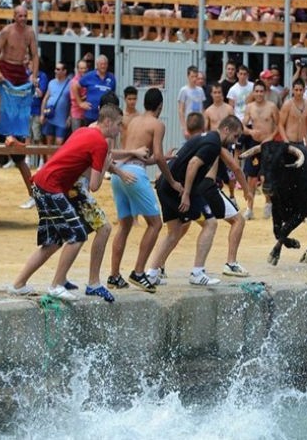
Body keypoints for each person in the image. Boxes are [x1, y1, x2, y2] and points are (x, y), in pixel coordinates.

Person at [8, 105, 122, 301]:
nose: (120, 129)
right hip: (51, 187)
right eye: (119, 124)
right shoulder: (101, 143)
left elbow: (78, 167)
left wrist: (102, 167)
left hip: (42, 184)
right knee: (77, 235)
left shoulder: (83, 131)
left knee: (53, 242)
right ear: (108, 122)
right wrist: (105, 166)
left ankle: (18, 284)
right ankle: (57, 284)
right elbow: (94, 186)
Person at [155, 115, 246, 285]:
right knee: (211, 223)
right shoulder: (213, 143)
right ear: (226, 129)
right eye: (235, 136)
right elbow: (193, 164)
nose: (235, 141)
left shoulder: (206, 138)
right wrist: (187, 194)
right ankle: (198, 272)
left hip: (166, 186)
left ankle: (152, 273)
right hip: (181, 189)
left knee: (174, 232)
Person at [109, 88, 183, 292]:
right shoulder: (157, 124)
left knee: (124, 226)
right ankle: (139, 272)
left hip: (119, 172)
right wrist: (172, 181)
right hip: (135, 175)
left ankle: (114, 275)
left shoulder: (133, 121)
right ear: (160, 106)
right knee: (155, 224)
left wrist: (161, 159)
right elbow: (157, 156)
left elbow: (135, 155)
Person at [0, 6, 40, 209]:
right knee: (4, 107)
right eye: (20, 16)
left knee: (17, 157)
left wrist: (33, 75)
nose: (23, 19)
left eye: (25, 16)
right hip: (6, 68)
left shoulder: (30, 32)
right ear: (14, 17)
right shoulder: (7, 31)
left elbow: (34, 56)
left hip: (20, 73)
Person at [243, 80, 279, 220]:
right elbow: (243, 126)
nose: (258, 94)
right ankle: (249, 208)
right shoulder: (249, 107)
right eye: (256, 91)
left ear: (265, 92)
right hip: (254, 144)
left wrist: (270, 137)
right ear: (253, 92)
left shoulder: (272, 107)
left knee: (267, 177)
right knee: (251, 178)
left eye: (261, 91)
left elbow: (278, 125)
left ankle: (268, 204)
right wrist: (250, 132)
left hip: (268, 144)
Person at [74, 55, 117, 127]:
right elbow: (75, 86)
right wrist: (80, 103)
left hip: (106, 117)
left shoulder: (111, 77)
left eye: (105, 64)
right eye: (101, 64)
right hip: (90, 116)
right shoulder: (90, 76)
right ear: (97, 65)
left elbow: (112, 94)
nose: (103, 66)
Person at [178, 65, 206, 139]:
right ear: (188, 76)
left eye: (196, 76)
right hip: (189, 123)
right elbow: (181, 110)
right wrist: (184, 128)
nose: (194, 79)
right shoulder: (184, 90)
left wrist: (204, 124)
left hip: (199, 122)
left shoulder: (200, 90)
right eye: (192, 76)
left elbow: (202, 109)